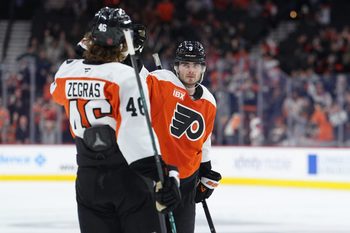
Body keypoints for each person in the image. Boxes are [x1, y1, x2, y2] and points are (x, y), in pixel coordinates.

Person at [50, 7, 181, 233]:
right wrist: (167, 176)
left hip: (87, 181)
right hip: (126, 180)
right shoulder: (126, 77)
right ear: (123, 42)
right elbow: (135, 137)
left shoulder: (66, 71)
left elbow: (59, 90)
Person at [145, 41, 222, 233]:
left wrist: (205, 169)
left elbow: (204, 139)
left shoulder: (209, 100)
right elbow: (136, 83)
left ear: (203, 69)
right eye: (186, 64)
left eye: (196, 65)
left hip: (188, 180)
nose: (191, 70)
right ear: (176, 67)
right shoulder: (161, 80)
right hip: (159, 176)